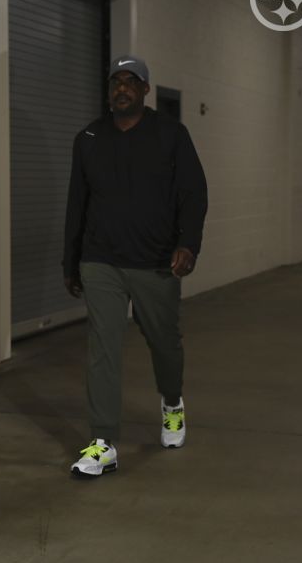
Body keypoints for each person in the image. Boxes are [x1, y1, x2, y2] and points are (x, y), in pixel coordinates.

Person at [62, 54, 208, 478]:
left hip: (155, 260)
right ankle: (103, 441)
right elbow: (78, 203)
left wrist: (189, 245)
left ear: (145, 90)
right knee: (102, 348)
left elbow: (193, 194)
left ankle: (173, 402)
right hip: (100, 259)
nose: (121, 89)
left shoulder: (171, 135)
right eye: (115, 82)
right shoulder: (88, 137)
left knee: (164, 342)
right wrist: (71, 261)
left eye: (131, 82)